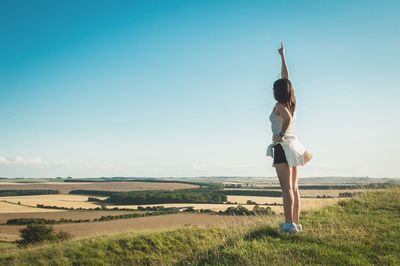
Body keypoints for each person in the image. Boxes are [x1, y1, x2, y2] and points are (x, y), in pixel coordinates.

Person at [266, 42, 313, 233]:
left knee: (286, 188)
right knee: (294, 188)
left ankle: (288, 224)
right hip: (294, 146)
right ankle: (296, 222)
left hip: (283, 146)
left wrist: (280, 134)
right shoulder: (291, 101)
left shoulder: (280, 105)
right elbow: (287, 80)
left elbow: (286, 118)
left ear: (277, 92)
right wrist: (282, 56)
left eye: (273, 88)